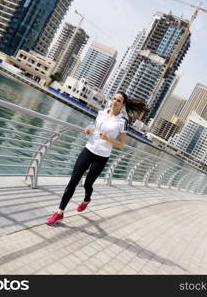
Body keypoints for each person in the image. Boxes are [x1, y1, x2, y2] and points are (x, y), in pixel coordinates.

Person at [46, 92, 147, 225]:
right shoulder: (102, 113)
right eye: (114, 99)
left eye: (119, 100)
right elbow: (94, 128)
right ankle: (59, 212)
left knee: (88, 184)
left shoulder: (122, 122)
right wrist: (88, 130)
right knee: (73, 181)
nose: (115, 102)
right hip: (88, 149)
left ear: (123, 105)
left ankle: (87, 199)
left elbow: (121, 144)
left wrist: (108, 139)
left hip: (102, 156)